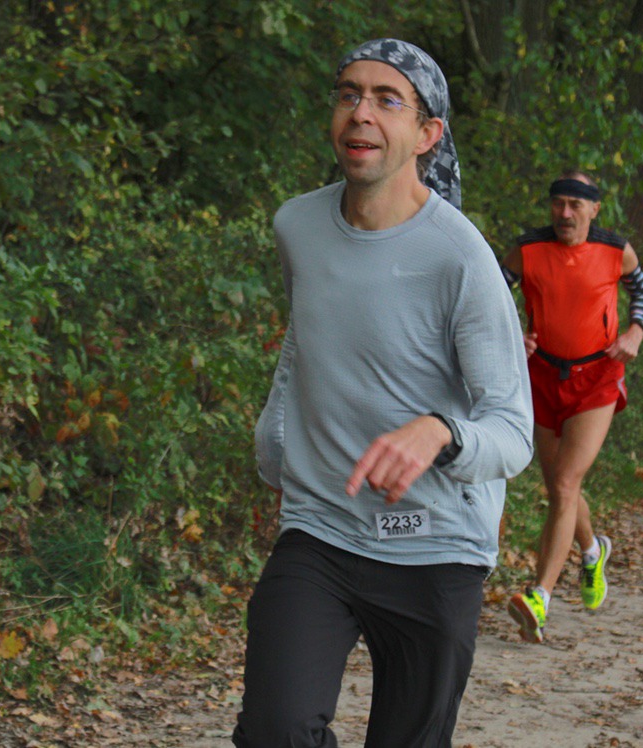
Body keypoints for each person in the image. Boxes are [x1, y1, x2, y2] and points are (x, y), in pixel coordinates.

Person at [233, 39, 534, 747]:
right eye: (348, 94)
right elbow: (308, 340)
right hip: (321, 525)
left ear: (428, 134)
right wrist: (276, 442)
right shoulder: (297, 225)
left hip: (436, 543)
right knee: (274, 730)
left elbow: (513, 431)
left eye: (386, 99)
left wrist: (441, 433)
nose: (360, 112)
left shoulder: (461, 258)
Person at [500, 171, 643, 643]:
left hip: (597, 377)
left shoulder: (615, 250)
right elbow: (489, 295)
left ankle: (540, 596)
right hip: (543, 375)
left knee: (566, 483)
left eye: (575, 205)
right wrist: (512, 332)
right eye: (558, 204)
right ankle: (592, 549)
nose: (564, 214)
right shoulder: (527, 250)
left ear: (594, 209)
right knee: (558, 487)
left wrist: (635, 332)